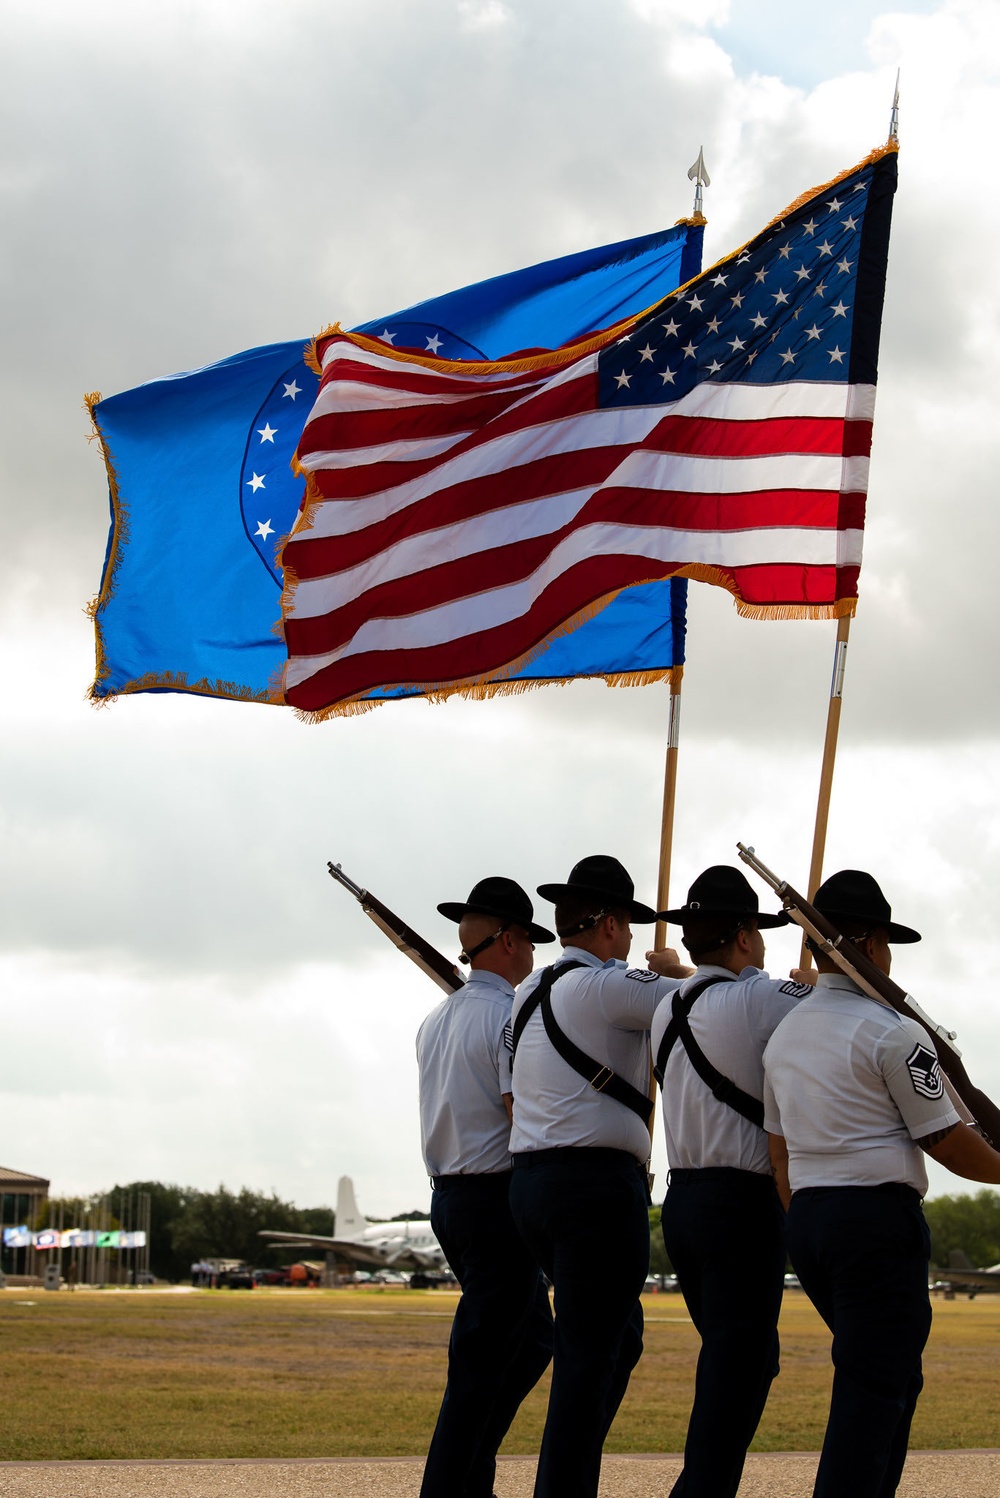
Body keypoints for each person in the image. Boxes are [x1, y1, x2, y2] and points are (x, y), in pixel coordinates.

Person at [762, 868, 1000, 1498]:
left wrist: (806, 1219)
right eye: (886, 943)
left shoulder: (783, 1036)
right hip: (874, 1226)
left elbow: (778, 1155)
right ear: (868, 947)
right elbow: (949, 1143)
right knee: (872, 1397)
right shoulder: (892, 1032)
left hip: (811, 1221)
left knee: (888, 1382)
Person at [507, 854, 683, 1498]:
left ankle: (569, 1474)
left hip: (530, 1181)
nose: (634, 938)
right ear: (608, 925)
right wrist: (675, 972)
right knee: (587, 1359)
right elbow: (700, 1006)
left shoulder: (524, 997)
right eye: (630, 925)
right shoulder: (611, 985)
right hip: (594, 1188)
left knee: (616, 1337)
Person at [648, 864, 808, 1498]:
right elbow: (838, 1004)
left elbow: (714, 997)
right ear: (744, 938)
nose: (765, 948)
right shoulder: (761, 997)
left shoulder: (668, 1006)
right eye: (760, 936)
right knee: (739, 1366)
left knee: (729, 1358)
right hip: (741, 1201)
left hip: (683, 1199)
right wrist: (812, 981)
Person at [416, 876, 556, 1498]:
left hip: (449, 1196)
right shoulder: (509, 1017)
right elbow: (517, 1110)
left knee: (531, 1344)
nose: (532, 954)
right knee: (479, 1368)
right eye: (528, 941)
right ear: (512, 941)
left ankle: (473, 1474)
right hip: (495, 1201)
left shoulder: (434, 1020)